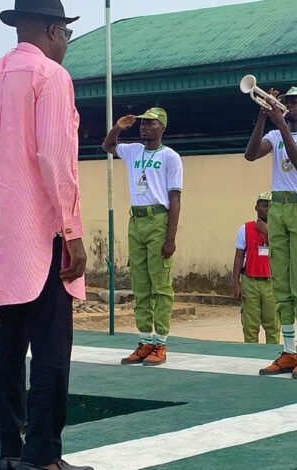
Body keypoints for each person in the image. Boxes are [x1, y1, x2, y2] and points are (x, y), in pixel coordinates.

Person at [0, 1, 92, 469]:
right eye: (67, 35)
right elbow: (55, 157)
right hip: (43, 234)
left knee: (10, 344)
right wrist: (72, 231)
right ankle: (43, 457)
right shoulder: (51, 76)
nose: (66, 44)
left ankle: (10, 455)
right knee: (52, 347)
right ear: (54, 31)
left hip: (1, 239)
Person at [244, 85, 297, 379]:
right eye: (287, 101)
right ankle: (288, 350)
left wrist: (281, 126)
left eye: (295, 102)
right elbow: (250, 155)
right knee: (280, 280)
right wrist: (261, 118)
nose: (289, 105)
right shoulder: (273, 134)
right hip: (279, 205)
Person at [103, 107, 183, 367]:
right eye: (142, 124)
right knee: (140, 284)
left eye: (150, 123)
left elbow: (175, 198)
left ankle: (160, 342)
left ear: (162, 128)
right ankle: (145, 340)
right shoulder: (134, 151)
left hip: (158, 219)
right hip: (136, 220)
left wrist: (170, 237)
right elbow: (108, 146)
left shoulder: (170, 157)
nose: (144, 127)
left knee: (160, 284)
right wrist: (118, 127)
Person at [232, 192, 280, 344]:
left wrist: (268, 231)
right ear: (256, 208)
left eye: (271, 206)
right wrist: (236, 283)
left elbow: (282, 252)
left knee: (273, 325)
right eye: (264, 206)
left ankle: (272, 354)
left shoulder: (279, 231)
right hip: (250, 281)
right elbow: (239, 256)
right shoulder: (244, 229)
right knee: (250, 326)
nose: (267, 209)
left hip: (272, 283)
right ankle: (251, 354)